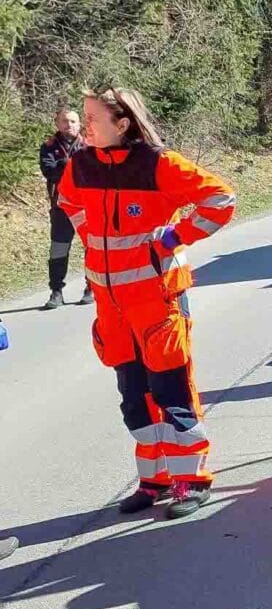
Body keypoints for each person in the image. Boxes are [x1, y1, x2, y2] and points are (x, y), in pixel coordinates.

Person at [56, 88, 235, 519]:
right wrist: (90, 240)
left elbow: (221, 200)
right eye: (85, 117)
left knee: (171, 393)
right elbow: (68, 202)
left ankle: (191, 481)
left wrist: (173, 237)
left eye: (93, 118)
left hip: (158, 304)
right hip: (112, 310)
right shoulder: (79, 166)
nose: (86, 126)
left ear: (122, 124)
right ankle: (153, 481)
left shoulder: (159, 163)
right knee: (135, 399)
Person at [39, 108, 92, 310]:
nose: (68, 124)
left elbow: (93, 173)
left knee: (92, 248)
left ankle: (91, 287)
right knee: (58, 250)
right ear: (57, 123)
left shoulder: (89, 146)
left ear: (79, 124)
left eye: (72, 121)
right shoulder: (48, 146)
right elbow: (49, 171)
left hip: (87, 207)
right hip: (61, 207)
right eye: (64, 121)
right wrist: (73, 166)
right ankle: (56, 291)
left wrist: (65, 166)